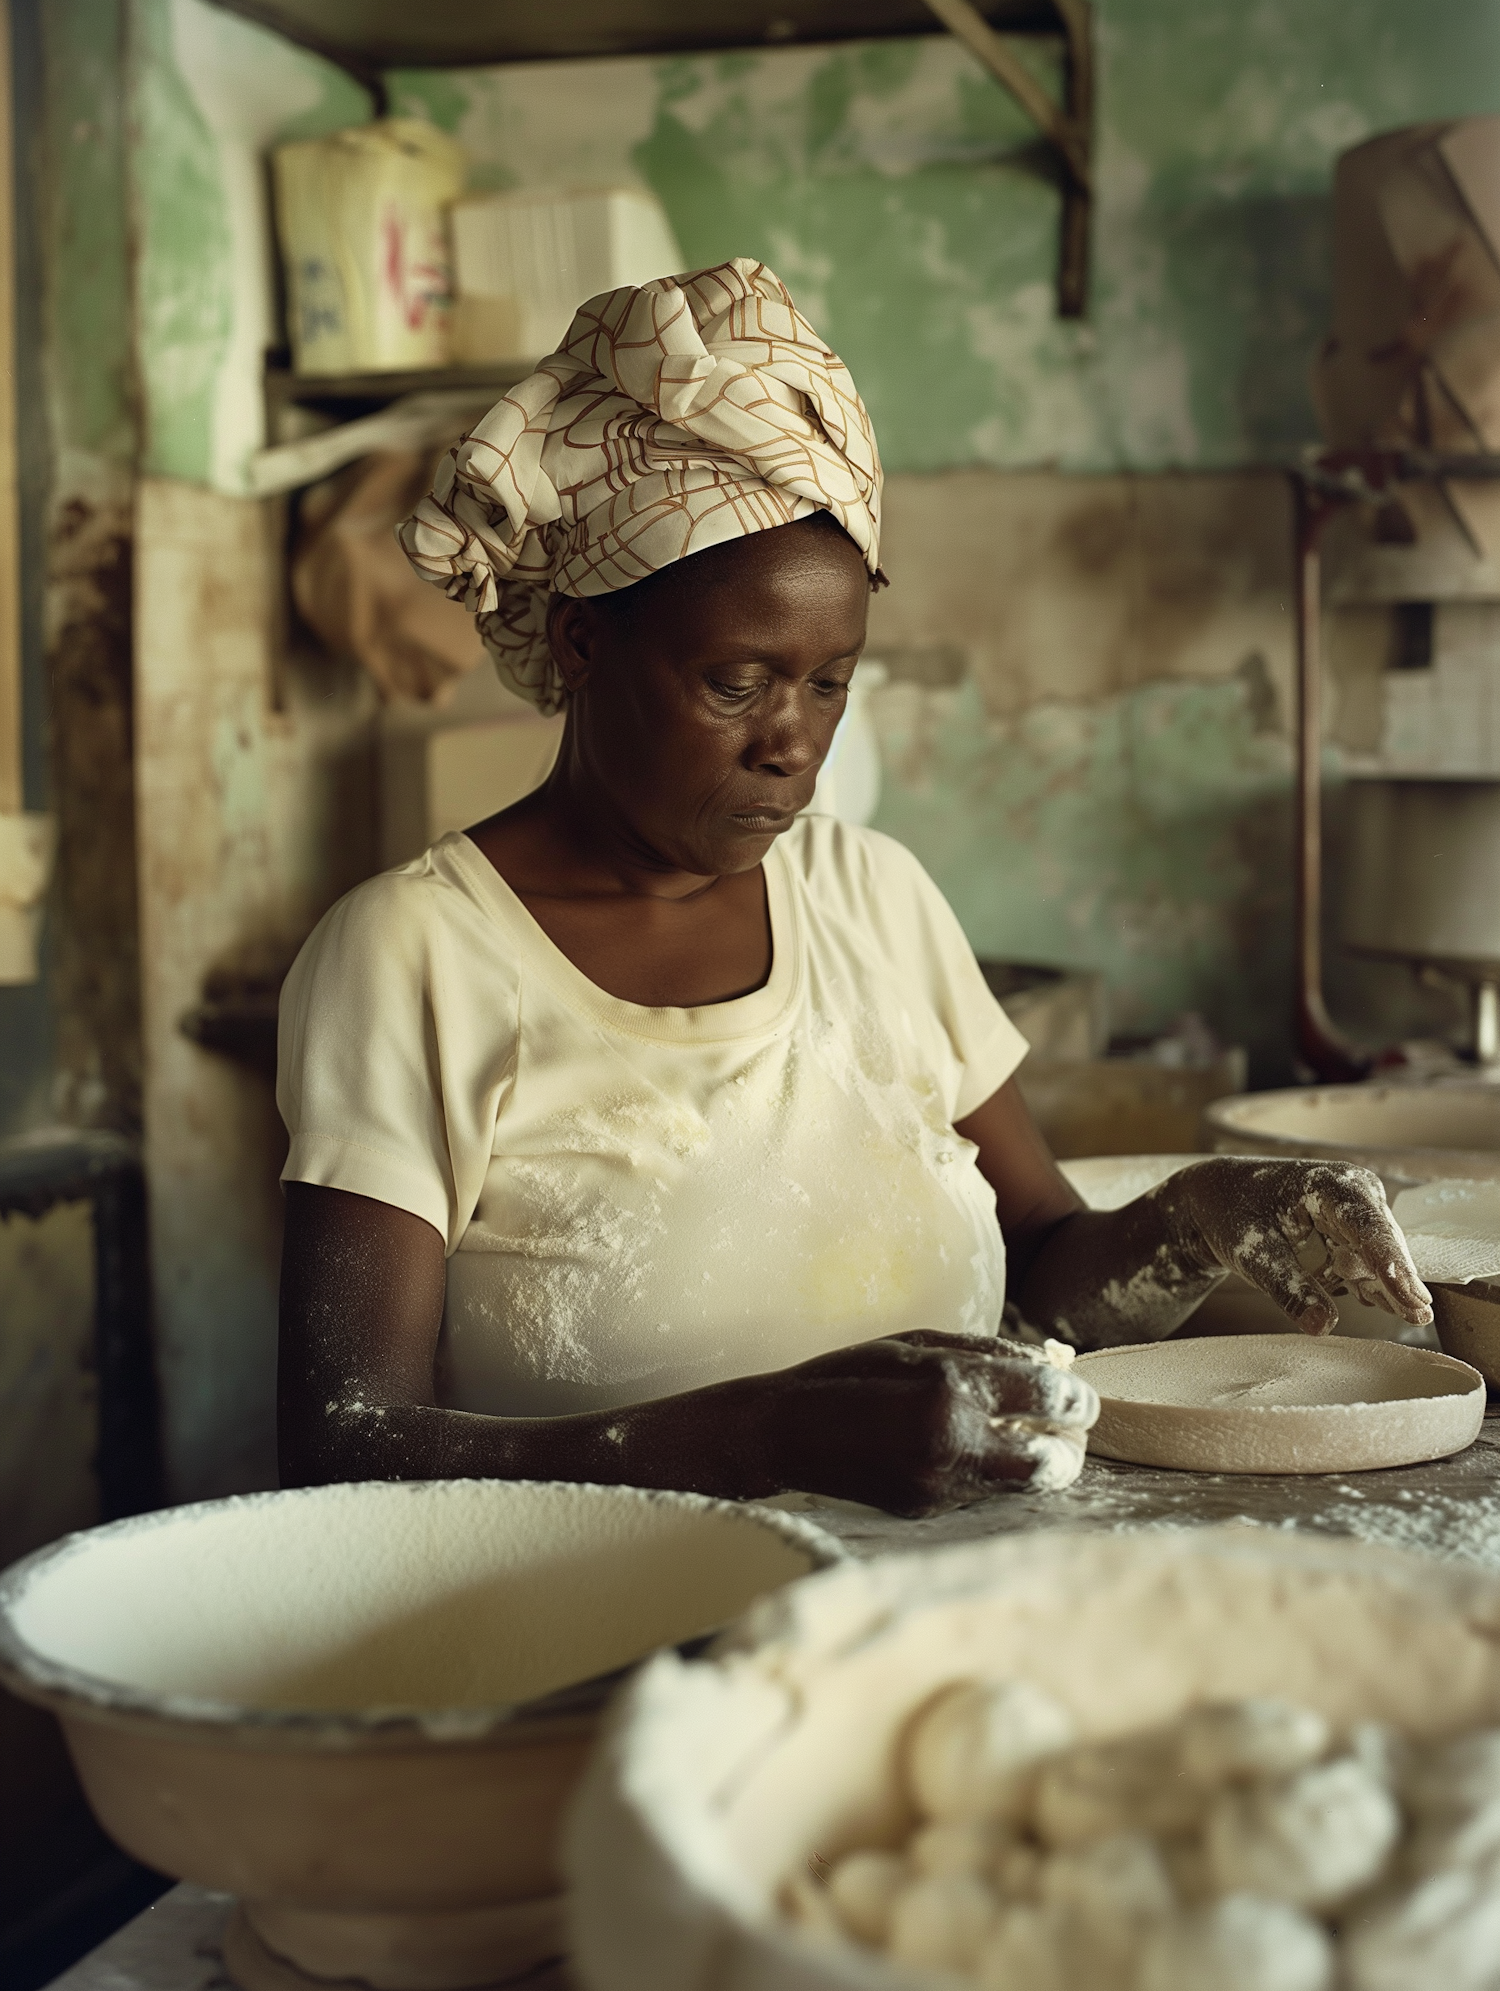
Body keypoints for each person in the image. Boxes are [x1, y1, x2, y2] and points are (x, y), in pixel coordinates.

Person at [276, 260, 1432, 1518]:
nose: (793, 739)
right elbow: (344, 1440)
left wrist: (1200, 1215)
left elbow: (1047, 1270)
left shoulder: (871, 895)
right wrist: (768, 1433)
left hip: (927, 1641)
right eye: (737, 681)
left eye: (830, 681)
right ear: (582, 641)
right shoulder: (417, 953)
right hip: (614, 1651)